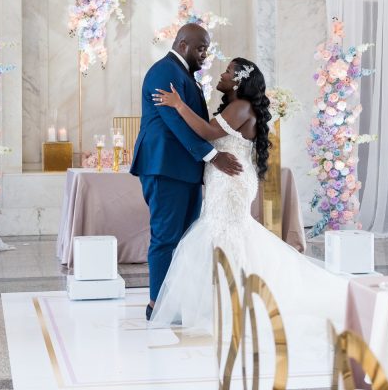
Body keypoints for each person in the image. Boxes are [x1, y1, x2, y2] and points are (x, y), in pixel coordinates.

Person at [149, 57, 346, 336]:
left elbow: (208, 132)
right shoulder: (237, 106)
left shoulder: (241, 106)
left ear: (239, 81)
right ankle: (229, 300)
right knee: (228, 234)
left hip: (231, 181)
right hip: (225, 178)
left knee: (225, 234)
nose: (223, 74)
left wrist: (179, 105)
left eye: (228, 71)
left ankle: (235, 304)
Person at [130, 24, 243, 322]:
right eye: (201, 48)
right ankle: (157, 305)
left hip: (185, 169)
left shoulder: (184, 75)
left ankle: (175, 300)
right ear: (182, 44)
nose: (205, 55)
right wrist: (213, 157)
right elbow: (175, 123)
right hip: (165, 167)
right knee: (166, 237)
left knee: (185, 238)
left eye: (206, 48)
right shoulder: (164, 72)